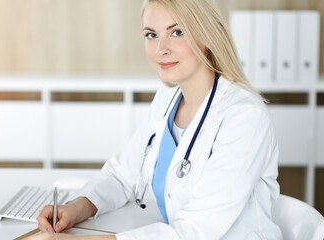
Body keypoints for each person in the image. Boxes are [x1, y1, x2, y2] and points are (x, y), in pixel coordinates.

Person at [25, 0, 283, 239]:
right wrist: (76, 208)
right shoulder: (167, 98)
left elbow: (193, 231)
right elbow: (122, 175)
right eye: (152, 35)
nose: (161, 49)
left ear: (208, 35)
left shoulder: (244, 117)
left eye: (176, 32)